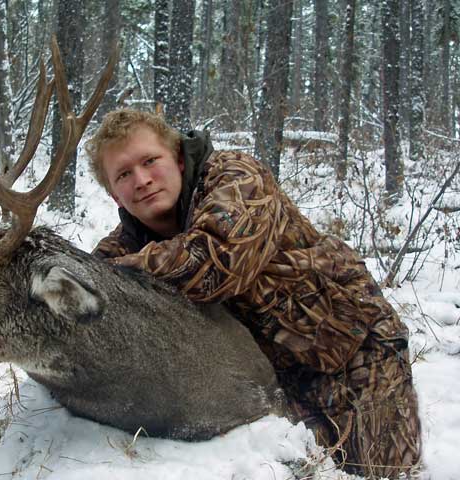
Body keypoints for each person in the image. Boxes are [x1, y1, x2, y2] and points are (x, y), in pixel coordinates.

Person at [86, 109, 422, 479]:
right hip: (264, 389)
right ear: (114, 195)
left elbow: (219, 260)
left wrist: (113, 280)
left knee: (381, 472)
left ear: (179, 160)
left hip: (353, 354)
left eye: (150, 161)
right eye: (123, 174)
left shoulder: (236, 177)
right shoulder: (118, 251)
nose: (143, 179)